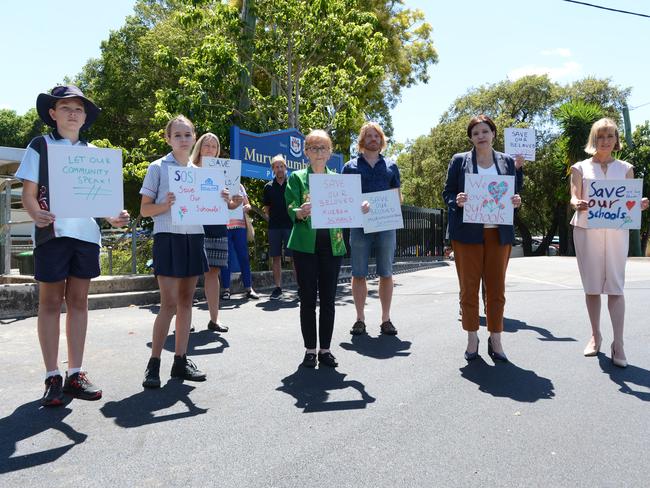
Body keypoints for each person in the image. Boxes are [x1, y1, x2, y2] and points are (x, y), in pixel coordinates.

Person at [17, 85, 129, 406]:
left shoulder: (94, 155)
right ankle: (52, 375)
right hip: (52, 235)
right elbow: (29, 191)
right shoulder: (40, 146)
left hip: (85, 238)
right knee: (50, 303)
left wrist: (114, 217)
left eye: (78, 109)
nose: (72, 113)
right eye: (65, 107)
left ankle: (75, 373)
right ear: (53, 114)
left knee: (79, 302)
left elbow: (103, 203)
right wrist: (35, 211)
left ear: (84, 117)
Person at [443, 114, 524, 362]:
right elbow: (447, 193)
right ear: (471, 137)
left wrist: (516, 201)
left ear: (493, 134)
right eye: (476, 133)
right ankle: (471, 337)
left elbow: (514, 193)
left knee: (496, 288)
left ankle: (496, 339)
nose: (481, 136)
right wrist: (456, 200)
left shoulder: (507, 161)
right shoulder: (460, 161)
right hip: (467, 233)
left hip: (498, 234)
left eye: (485, 131)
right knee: (468, 288)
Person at [570, 117, 649, 368]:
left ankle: (619, 343)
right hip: (586, 229)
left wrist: (639, 204)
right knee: (592, 286)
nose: (605, 141)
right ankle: (595, 335)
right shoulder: (579, 167)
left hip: (616, 231)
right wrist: (576, 203)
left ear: (616, 140)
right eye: (601, 136)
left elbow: (628, 200)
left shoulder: (625, 167)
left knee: (615, 285)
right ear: (594, 140)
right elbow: (574, 195)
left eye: (610, 136)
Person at [140, 115, 208, 388]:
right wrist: (164, 205)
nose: (183, 139)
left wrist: (230, 201)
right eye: (177, 135)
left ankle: (180, 361)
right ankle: (154, 363)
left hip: (193, 238)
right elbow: (145, 209)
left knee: (186, 302)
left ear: (194, 138)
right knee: (168, 303)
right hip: (168, 237)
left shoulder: (200, 173)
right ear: (168, 139)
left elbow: (214, 208)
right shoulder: (157, 168)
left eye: (187, 134)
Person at [285, 130, 347, 368]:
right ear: (306, 152)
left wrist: (360, 208)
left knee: (329, 299)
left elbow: (348, 209)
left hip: (332, 245)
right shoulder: (297, 178)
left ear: (330, 152)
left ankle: (326, 350)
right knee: (308, 298)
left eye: (323, 148)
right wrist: (299, 212)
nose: (319, 152)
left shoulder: (338, 180)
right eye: (314, 147)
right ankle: (310, 350)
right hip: (305, 246)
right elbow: (290, 206)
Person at [343, 122, 401, 336]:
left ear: (382, 140)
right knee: (359, 273)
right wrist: (357, 205)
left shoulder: (391, 166)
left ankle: (386, 319)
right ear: (362, 141)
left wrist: (392, 207)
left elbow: (397, 196)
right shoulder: (349, 167)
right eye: (369, 136)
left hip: (386, 225)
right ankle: (360, 319)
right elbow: (345, 199)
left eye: (377, 136)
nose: (373, 139)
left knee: (386, 272)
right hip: (359, 226)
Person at [189, 132, 244, 332]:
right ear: (199, 148)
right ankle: (186, 320)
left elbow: (228, 205)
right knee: (191, 274)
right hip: (194, 225)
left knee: (214, 272)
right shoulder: (189, 169)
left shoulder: (224, 173)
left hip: (217, 225)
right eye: (207, 145)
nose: (210, 149)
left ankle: (214, 319)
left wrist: (233, 202)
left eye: (214, 146)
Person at [263, 154, 295, 299]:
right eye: (277, 167)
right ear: (273, 169)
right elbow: (267, 208)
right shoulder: (268, 187)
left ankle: (301, 288)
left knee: (294, 257)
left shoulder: (292, 184)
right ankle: (278, 288)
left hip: (291, 226)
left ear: (285, 168)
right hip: (274, 227)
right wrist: (274, 219)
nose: (280, 169)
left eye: (282, 166)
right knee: (275, 257)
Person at [219, 183, 259, 300]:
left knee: (244, 257)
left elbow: (248, 204)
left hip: (240, 226)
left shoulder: (240, 186)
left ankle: (249, 288)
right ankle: (226, 289)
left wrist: (247, 207)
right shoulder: (219, 184)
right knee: (226, 259)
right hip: (224, 226)